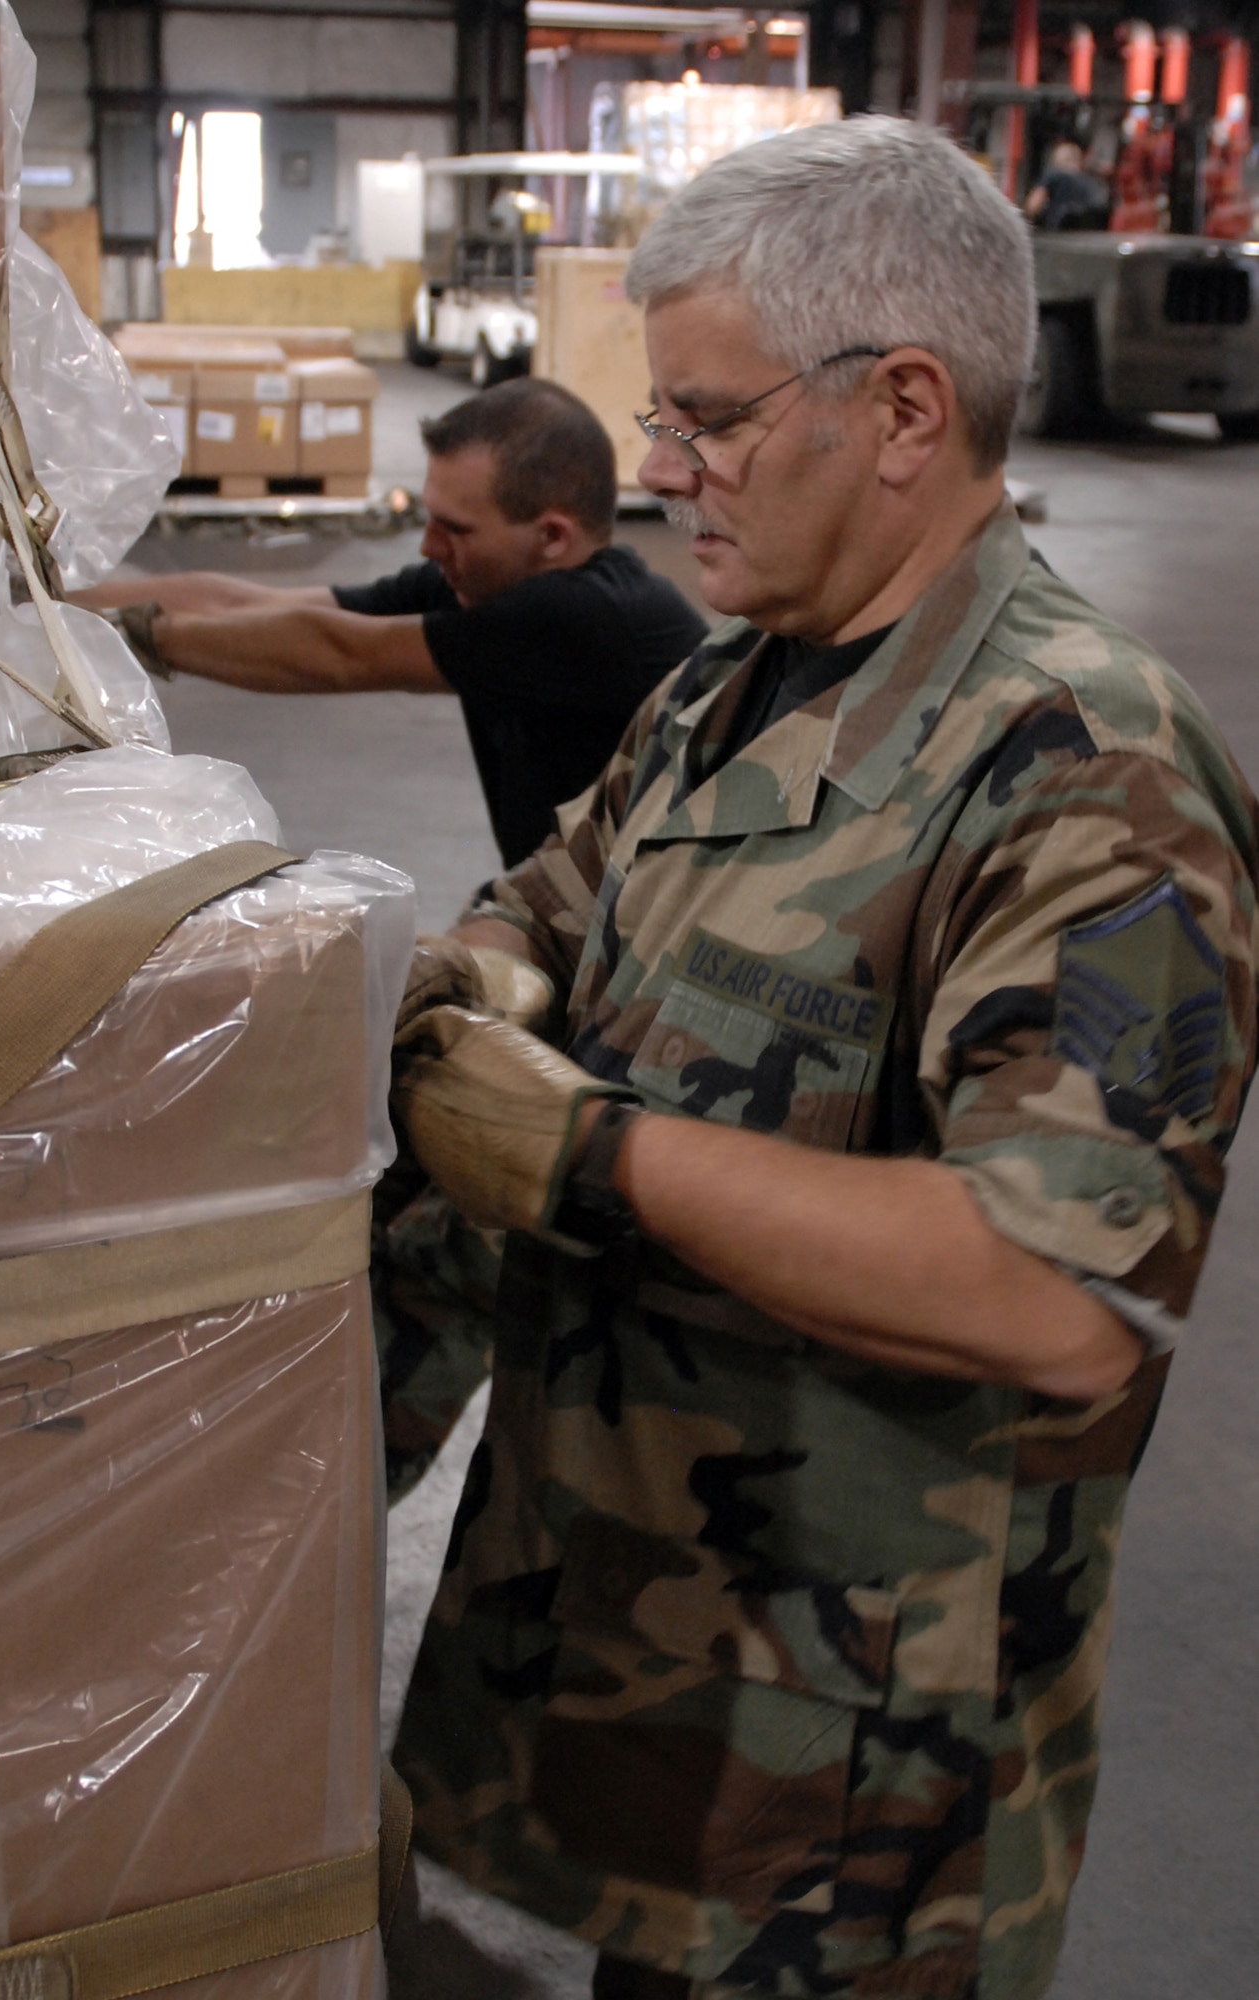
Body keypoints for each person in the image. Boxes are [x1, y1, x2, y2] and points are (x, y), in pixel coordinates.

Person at [385, 116, 1259, 2000]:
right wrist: (471, 985)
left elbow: (1053, 1293)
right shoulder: (727, 680)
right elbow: (550, 897)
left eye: (703, 417)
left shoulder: (1084, 778)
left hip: (857, 1797)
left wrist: (589, 1157)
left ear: (901, 410)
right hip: (660, 1688)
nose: (658, 470)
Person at [80, 378, 706, 868]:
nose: (429, 547)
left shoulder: (585, 618)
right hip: (575, 898)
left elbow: (341, 655)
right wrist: (61, 601)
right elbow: (266, 606)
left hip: (656, 925)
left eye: (455, 528)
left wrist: (126, 633)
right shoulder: (481, 583)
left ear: (552, 536)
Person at [1023, 139, 1110, 230]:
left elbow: (1034, 204)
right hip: (1086, 236)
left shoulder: (1053, 176)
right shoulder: (1091, 183)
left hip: (1059, 234)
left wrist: (1026, 220)